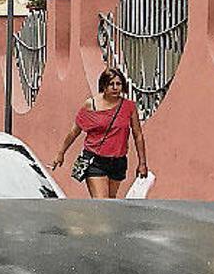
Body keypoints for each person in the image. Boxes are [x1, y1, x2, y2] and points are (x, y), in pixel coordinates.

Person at [49, 69, 149, 199]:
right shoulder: (91, 104)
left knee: (110, 204)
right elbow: (75, 131)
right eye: (111, 84)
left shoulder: (128, 107)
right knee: (102, 203)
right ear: (103, 86)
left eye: (118, 84)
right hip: (95, 160)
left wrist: (142, 163)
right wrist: (61, 153)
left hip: (118, 161)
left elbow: (138, 135)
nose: (115, 88)